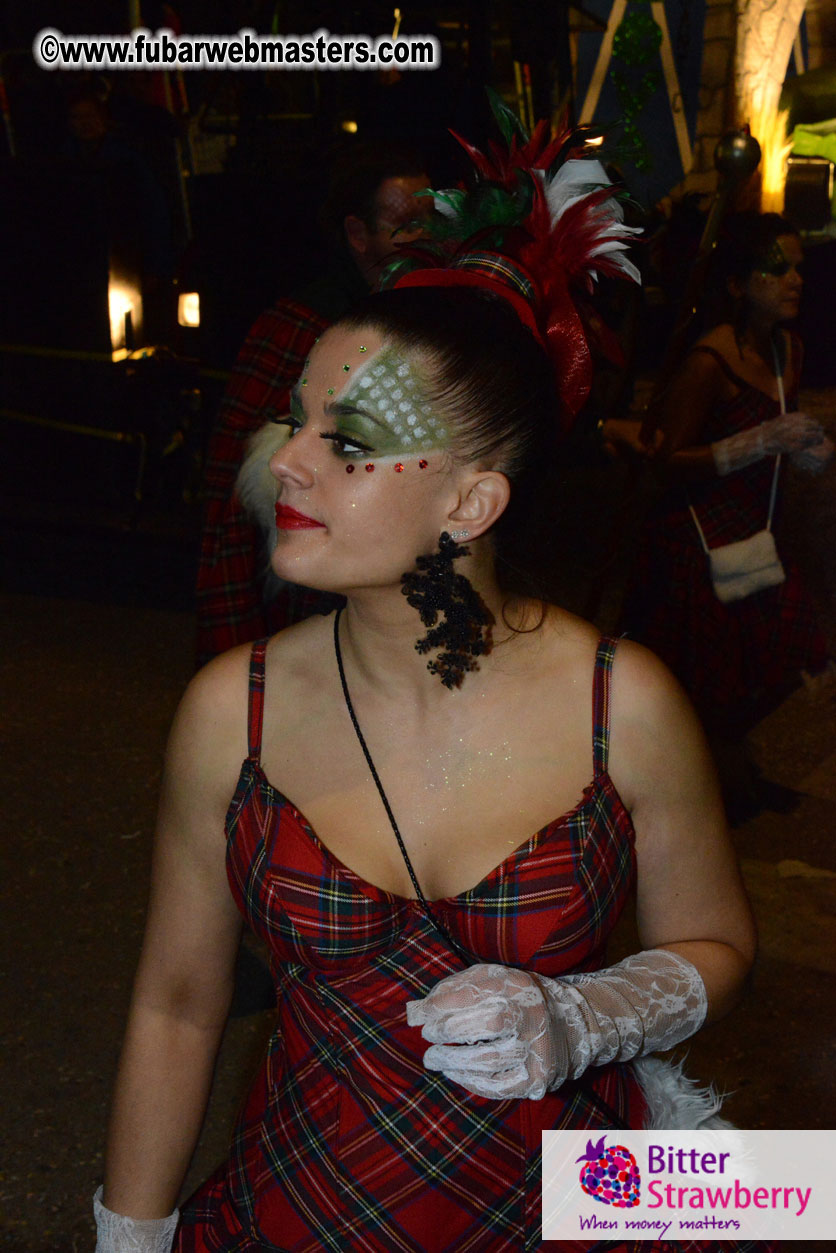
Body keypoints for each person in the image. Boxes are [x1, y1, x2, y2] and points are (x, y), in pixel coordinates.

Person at [95, 112, 760, 1253]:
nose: (284, 459)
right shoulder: (231, 706)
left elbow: (716, 944)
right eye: (292, 419)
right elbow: (175, 998)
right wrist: (129, 1237)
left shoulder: (622, 700)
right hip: (312, 1205)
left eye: (345, 441)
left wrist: (581, 1011)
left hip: (591, 1197)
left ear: (470, 503)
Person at [620, 212, 833, 815]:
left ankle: (722, 769)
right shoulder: (710, 361)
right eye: (776, 268)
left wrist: (805, 449)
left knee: (788, 662)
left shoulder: (787, 348)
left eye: (797, 265)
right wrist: (755, 443)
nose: (794, 279)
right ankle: (700, 791)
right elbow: (667, 458)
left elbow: (781, 438)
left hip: (754, 535)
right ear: (738, 285)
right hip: (697, 542)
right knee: (703, 682)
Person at [195, 144, 431, 666]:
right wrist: (239, 660)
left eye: (435, 218)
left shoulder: (441, 324)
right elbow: (227, 510)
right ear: (358, 235)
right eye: (406, 224)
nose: (427, 237)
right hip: (314, 612)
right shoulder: (300, 325)